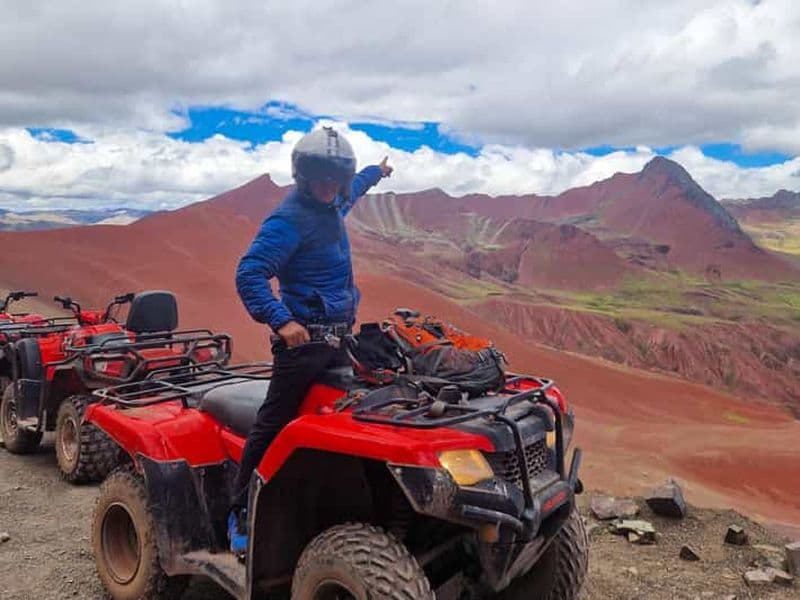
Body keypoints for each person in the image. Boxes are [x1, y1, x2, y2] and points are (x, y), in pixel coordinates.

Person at [229, 127, 393, 553]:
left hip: (339, 343)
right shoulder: (289, 219)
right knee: (272, 422)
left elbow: (353, 190)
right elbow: (249, 272)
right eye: (319, 179)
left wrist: (376, 172)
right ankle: (240, 509)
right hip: (301, 349)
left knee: (347, 417)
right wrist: (281, 320)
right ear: (304, 178)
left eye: (333, 179)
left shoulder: (335, 201)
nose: (328, 187)